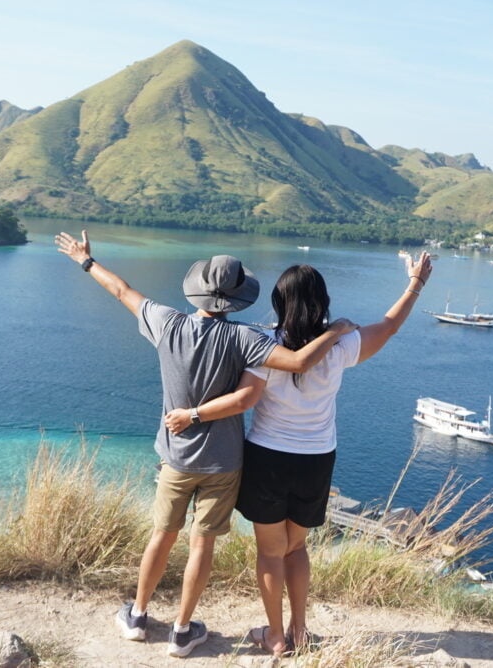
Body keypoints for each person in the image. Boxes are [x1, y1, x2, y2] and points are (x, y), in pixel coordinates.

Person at [54, 230, 356, 658]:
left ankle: (138, 616)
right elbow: (300, 362)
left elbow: (121, 289)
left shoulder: (166, 322)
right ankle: (181, 631)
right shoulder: (247, 339)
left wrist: (85, 261)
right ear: (237, 300)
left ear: (196, 292)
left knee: (162, 534)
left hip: (175, 457)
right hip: (225, 463)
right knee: (202, 544)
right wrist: (337, 330)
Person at [164, 252, 433, 656]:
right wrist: (415, 283)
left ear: (277, 302)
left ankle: (274, 636)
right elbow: (390, 326)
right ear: (322, 301)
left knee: (271, 553)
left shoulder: (264, 344)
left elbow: (240, 394)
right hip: (316, 459)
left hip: (268, 458)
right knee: (297, 548)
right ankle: (300, 630)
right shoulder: (343, 344)